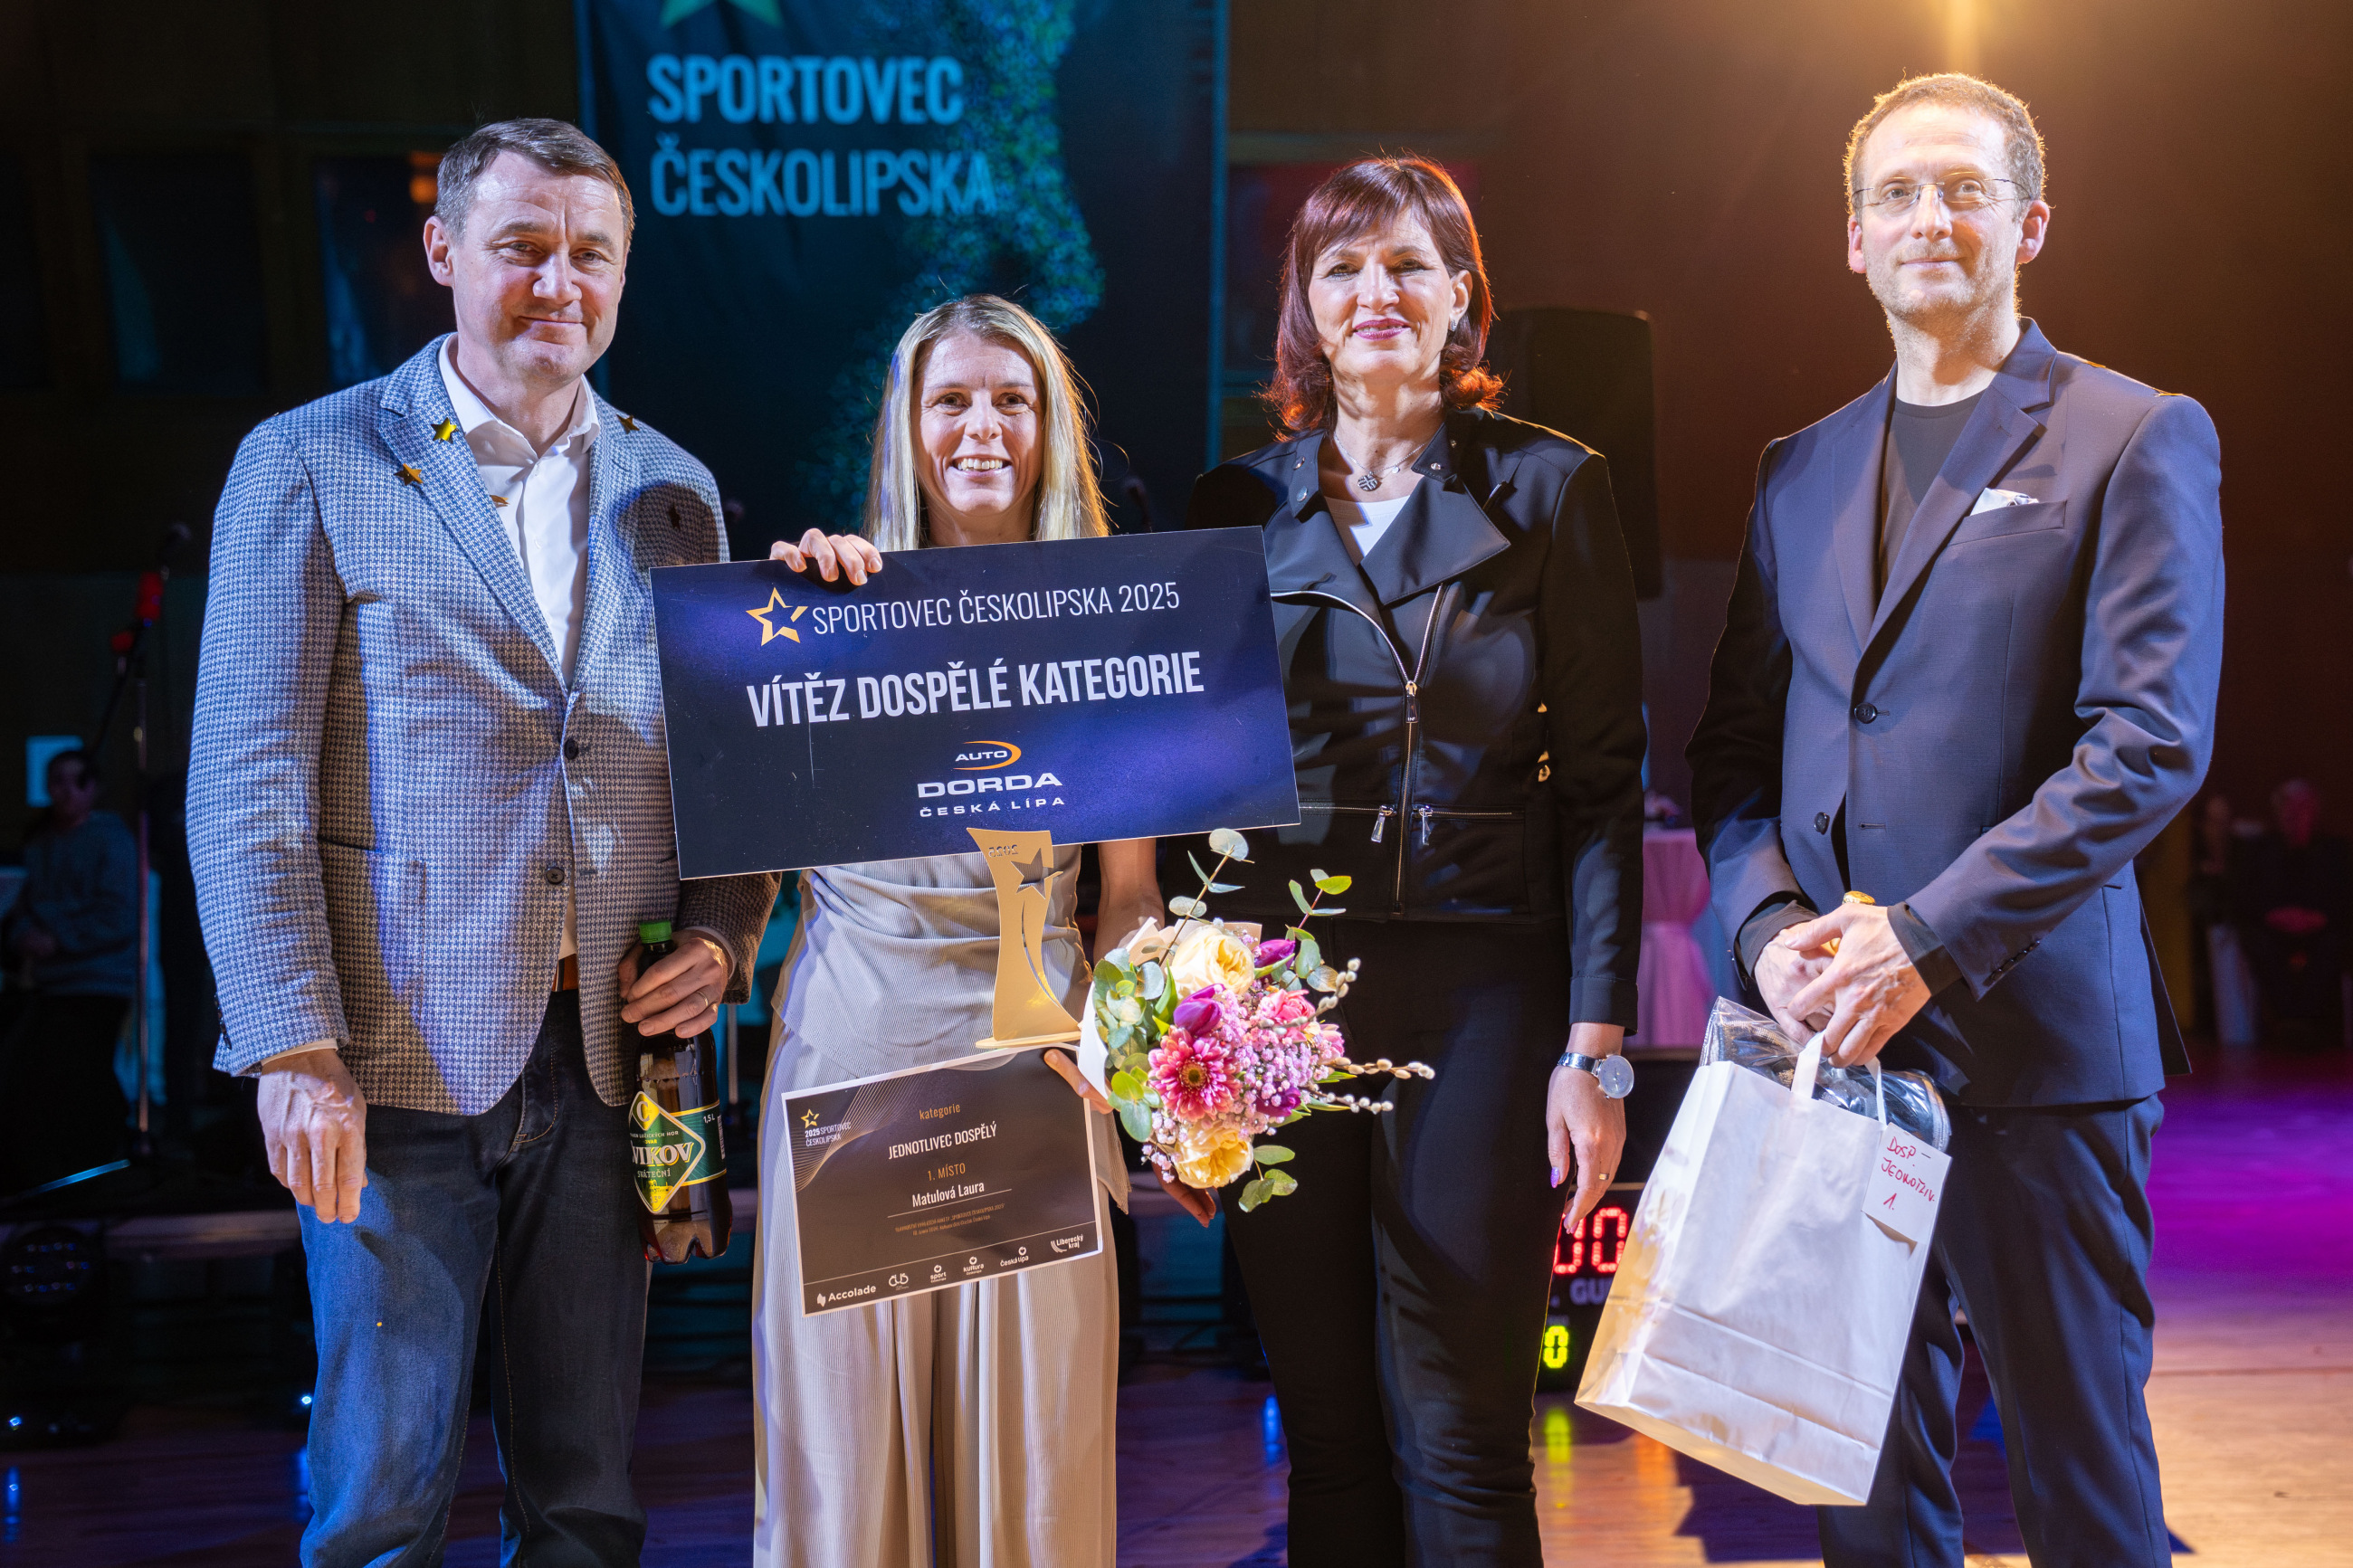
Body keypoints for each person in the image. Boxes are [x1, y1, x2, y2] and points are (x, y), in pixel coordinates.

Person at [189, 119, 779, 1566]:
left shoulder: (675, 487)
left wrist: (720, 933)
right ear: (444, 251)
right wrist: (290, 1049)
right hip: (389, 1062)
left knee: (585, 1501)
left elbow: (721, 767)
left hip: (609, 1057)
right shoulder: (308, 460)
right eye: (523, 247)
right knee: (383, 1508)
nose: (559, 282)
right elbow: (245, 783)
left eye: (592, 255)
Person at [1687, 73, 2224, 1567]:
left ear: (2030, 225)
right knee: (1859, 1501)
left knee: (2085, 1490)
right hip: (1831, 1052)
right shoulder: (1798, 469)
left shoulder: (2133, 434)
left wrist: (1924, 937)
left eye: (1967, 189)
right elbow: (1731, 755)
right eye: (1899, 193)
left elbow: (2148, 745)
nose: (1932, 216)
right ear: (1854, 240)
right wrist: (1770, 930)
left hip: (2033, 1047)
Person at [1185, 157, 1646, 1566]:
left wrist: (1597, 1051)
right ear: (1304, 308)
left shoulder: (1554, 486)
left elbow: (1606, 785)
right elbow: (1188, 786)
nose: (1375, 291)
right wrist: (1186, 1043)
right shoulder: (1230, 502)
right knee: (1326, 1437)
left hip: (1484, 996)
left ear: (1461, 297)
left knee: (1461, 1432)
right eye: (1342, 267)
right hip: (1278, 1002)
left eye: (1407, 264)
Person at [749, 293, 1161, 1568]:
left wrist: (1156, 1072)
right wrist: (788, 619)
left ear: (1049, 431)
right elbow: (743, 851)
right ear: (905, 428)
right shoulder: (816, 607)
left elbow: (1129, 902)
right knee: (846, 1477)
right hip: (852, 1062)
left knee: (1032, 1472)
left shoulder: (1109, 622)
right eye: (951, 400)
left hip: (1033, 1062)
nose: (982, 426)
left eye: (1011, 400)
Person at [2, 749, 138, 1191]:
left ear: (92, 787)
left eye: (72, 781)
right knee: (36, 1072)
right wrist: (23, 935)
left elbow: (119, 915)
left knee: (77, 1071)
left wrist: (57, 937)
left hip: (98, 981)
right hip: (49, 984)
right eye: (55, 781)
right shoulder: (40, 842)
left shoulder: (111, 840)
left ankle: (98, 1164)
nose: (62, 791)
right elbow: (21, 904)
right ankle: (58, 1173)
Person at [2231, 778, 2349, 1041]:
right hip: (2272, 930)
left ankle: (2305, 1022)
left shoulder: (2335, 852)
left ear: (2315, 811)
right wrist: (2274, 916)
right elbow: (2245, 899)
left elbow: (2343, 899)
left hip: (2321, 929)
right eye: (2288, 807)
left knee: (2331, 947)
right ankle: (2290, 1020)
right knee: (2260, 945)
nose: (2294, 814)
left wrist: (2318, 918)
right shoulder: (2259, 851)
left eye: (2301, 808)